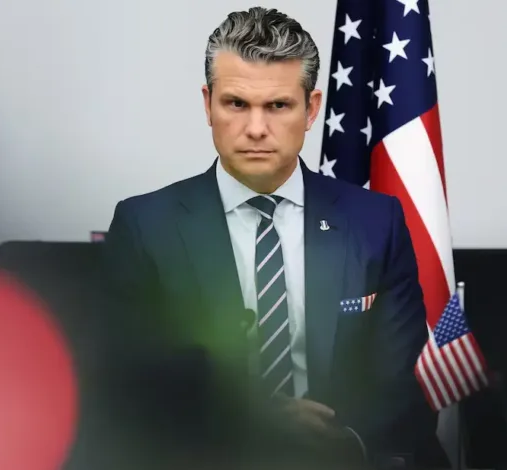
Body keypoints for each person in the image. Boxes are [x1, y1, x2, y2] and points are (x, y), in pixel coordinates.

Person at [102, 6, 437, 468]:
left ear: (311, 109)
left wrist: (343, 444)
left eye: (278, 106)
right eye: (236, 103)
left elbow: (403, 382)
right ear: (208, 104)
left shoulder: (376, 222)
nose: (256, 129)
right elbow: (126, 383)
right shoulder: (146, 226)